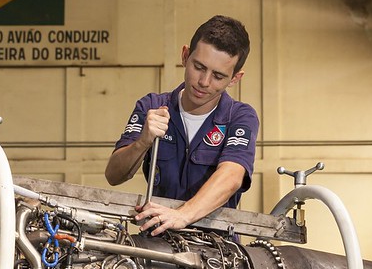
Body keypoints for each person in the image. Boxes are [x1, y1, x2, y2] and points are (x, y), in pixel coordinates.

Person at [105, 15, 258, 236]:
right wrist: (142, 142)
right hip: (157, 240)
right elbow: (113, 175)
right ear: (185, 55)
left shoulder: (239, 117)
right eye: (199, 67)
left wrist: (183, 215)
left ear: (235, 78)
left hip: (217, 247)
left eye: (218, 76)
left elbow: (232, 176)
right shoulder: (151, 106)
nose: (204, 82)